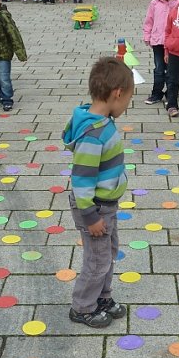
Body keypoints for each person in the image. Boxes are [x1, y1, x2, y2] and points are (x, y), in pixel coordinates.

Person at [63, 57, 134, 328]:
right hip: (95, 208)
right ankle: (82, 307)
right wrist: (91, 217)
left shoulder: (101, 121)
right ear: (117, 94)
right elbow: (81, 180)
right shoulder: (94, 133)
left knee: (108, 252)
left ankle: (102, 297)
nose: (126, 106)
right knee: (97, 260)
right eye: (127, 99)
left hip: (107, 205)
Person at [142, 0, 179, 105]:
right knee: (158, 69)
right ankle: (156, 93)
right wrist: (147, 35)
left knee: (170, 70)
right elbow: (149, 21)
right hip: (157, 41)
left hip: (172, 42)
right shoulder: (154, 3)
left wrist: (173, 2)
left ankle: (171, 93)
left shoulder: (178, 4)